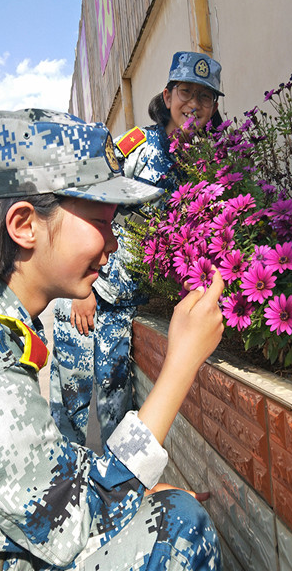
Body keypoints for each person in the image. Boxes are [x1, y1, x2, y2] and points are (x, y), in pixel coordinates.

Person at [0, 108, 225, 570]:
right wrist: (181, 364)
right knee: (180, 525)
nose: (114, 243)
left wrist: (129, 488)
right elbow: (70, 524)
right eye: (101, 222)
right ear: (25, 225)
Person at [50, 51, 225, 445]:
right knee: (71, 402)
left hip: (127, 302)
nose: (194, 104)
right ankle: (62, 480)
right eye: (185, 92)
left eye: (205, 96)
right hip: (88, 292)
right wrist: (80, 288)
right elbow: (82, 199)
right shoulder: (138, 145)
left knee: (116, 406)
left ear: (214, 107)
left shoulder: (205, 162)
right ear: (167, 96)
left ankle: (117, 481)